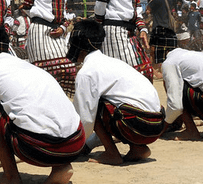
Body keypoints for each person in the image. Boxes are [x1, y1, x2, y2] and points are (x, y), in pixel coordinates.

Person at [0, 25, 86, 184]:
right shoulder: (28, 67)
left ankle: (11, 177)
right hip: (76, 143)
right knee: (29, 111)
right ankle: (60, 167)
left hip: (42, 149)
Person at [69, 20, 165, 165]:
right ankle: (137, 148)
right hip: (157, 124)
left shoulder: (87, 72)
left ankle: (112, 153)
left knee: (97, 105)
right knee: (114, 101)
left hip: (138, 124)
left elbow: (86, 120)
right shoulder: (113, 62)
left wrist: (74, 146)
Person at [146, 0, 177, 74]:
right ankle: (167, 69)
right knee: (167, 50)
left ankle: (153, 70)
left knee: (153, 50)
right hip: (168, 27)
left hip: (158, 27)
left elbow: (148, 11)